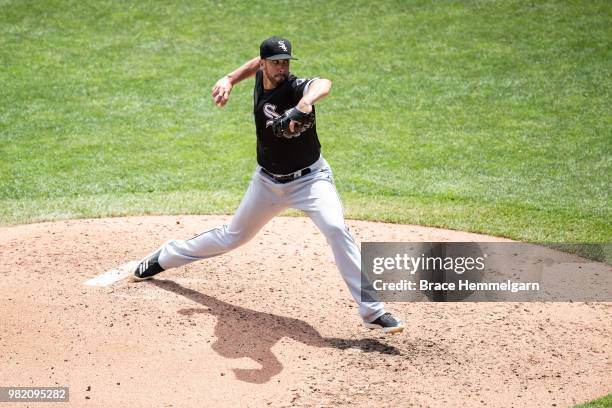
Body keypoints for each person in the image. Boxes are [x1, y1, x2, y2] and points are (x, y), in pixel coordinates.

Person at [133, 36, 404, 334]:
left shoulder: (295, 86)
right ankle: (166, 256)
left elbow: (323, 83)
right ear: (265, 64)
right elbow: (253, 66)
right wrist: (229, 79)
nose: (281, 68)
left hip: (311, 180)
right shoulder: (262, 74)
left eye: (285, 62)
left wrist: (304, 104)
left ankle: (373, 311)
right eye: (275, 62)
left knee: (337, 229)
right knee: (232, 237)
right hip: (267, 182)